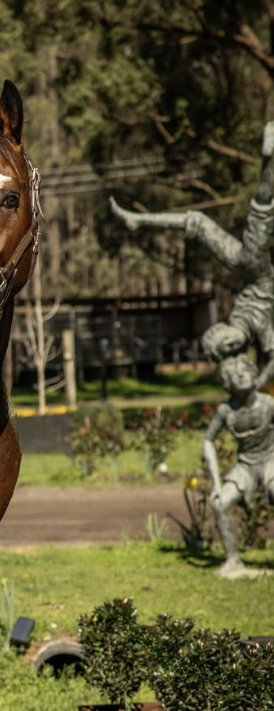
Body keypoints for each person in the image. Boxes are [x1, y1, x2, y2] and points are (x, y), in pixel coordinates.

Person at [111, 122, 274, 390]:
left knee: (203, 221)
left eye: (223, 340)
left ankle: (138, 221)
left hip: (251, 267)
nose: (230, 342)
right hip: (257, 271)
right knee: (254, 218)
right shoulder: (259, 328)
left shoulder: (240, 320)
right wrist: (256, 384)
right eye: (228, 347)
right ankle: (137, 221)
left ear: (220, 329)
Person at [202, 354, 274, 576]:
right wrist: (215, 483)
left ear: (254, 375)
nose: (240, 376)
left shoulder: (269, 404)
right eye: (233, 375)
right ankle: (233, 561)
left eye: (244, 371)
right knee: (220, 503)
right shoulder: (226, 411)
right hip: (245, 465)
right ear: (227, 384)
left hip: (271, 458)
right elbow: (207, 440)